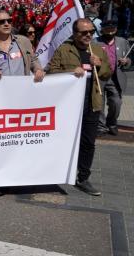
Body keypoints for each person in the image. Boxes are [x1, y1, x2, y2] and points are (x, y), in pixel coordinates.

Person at [47, 18, 111, 196]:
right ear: (75, 34)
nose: (88, 35)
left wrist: (99, 65)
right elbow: (51, 72)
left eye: (91, 31)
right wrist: (69, 72)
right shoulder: (64, 49)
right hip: (69, 106)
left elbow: (107, 73)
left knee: (88, 142)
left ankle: (83, 178)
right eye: (84, 32)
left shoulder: (97, 50)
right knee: (63, 140)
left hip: (92, 104)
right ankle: (58, 172)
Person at [0, 10, 45, 82]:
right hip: (0, 91)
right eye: (2, 22)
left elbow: (33, 60)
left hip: (23, 89)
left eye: (9, 21)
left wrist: (38, 69)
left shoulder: (24, 41)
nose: (6, 24)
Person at [96, 20, 130, 136]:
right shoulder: (95, 42)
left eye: (113, 29)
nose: (110, 32)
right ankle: (101, 126)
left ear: (116, 29)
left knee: (116, 102)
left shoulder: (122, 41)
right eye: (108, 29)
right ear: (102, 29)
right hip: (99, 77)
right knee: (99, 103)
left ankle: (112, 123)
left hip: (115, 77)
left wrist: (126, 61)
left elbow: (129, 59)